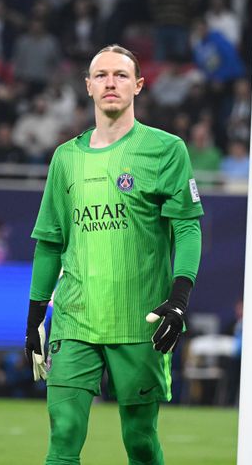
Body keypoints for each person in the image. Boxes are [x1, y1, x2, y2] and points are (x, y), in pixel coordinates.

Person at [25, 45, 204, 464]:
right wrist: (35, 316)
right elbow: (50, 241)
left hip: (139, 320)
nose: (110, 82)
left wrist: (178, 301)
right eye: (101, 75)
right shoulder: (65, 158)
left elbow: (187, 228)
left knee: (140, 440)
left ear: (138, 85)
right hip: (75, 318)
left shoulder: (166, 149)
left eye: (121, 75)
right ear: (87, 86)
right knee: (64, 431)